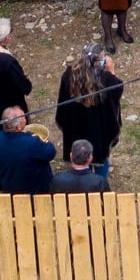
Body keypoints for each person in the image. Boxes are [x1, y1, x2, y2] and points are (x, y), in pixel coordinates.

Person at [54, 44, 124, 180]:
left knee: (78, 151)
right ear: (97, 62)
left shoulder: (69, 74)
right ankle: (98, 180)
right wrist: (112, 71)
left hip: (75, 124)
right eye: (103, 59)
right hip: (97, 128)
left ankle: (80, 175)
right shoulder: (105, 79)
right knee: (100, 157)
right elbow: (117, 88)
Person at [0, 107, 56, 195]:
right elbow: (51, 152)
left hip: (9, 187)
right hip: (35, 191)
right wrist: (33, 137)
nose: (25, 118)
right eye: (24, 117)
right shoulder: (31, 143)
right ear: (18, 127)